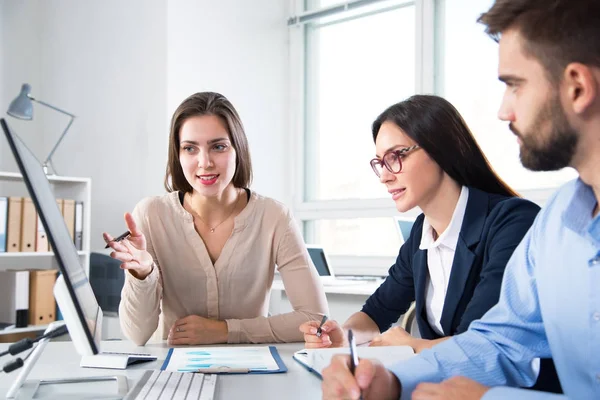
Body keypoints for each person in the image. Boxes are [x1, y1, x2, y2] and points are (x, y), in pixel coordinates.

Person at [321, 0, 600, 398]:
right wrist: (393, 381)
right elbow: (502, 342)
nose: (504, 111)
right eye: (379, 161)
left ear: (577, 86)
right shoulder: (556, 221)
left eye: (514, 84)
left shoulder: (515, 221)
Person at [301, 95, 539, 353]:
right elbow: (377, 311)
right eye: (380, 163)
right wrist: (342, 337)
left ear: (440, 149)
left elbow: (483, 343)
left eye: (395, 156)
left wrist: (413, 346)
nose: (384, 176)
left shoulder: (512, 222)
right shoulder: (422, 233)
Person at [104, 92, 328, 346]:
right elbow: (137, 335)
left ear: (238, 149)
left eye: (218, 146)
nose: (205, 162)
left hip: (251, 373)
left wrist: (226, 331)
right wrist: (142, 273)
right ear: (177, 155)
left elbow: (316, 319)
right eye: (190, 148)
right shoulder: (151, 214)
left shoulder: (274, 217)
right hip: (172, 373)